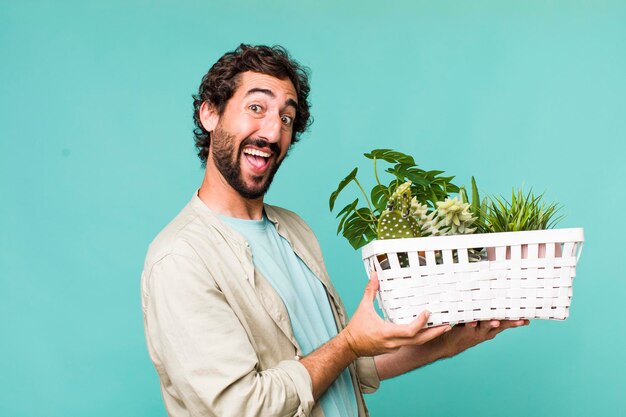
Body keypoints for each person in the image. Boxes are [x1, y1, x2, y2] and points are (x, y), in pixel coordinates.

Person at [141, 44, 528, 417]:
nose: (273, 133)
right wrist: (347, 344)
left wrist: (451, 341)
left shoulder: (294, 230)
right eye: (256, 108)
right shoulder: (180, 259)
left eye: (286, 118)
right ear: (210, 114)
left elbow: (348, 368)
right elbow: (240, 408)